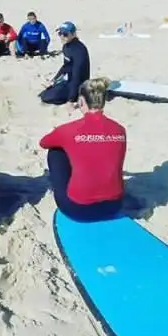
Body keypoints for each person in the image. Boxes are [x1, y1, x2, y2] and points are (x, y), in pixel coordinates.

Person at [39, 77, 126, 222]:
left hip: (78, 209)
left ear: (80, 101)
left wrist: (62, 137)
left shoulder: (69, 130)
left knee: (55, 151)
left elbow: (43, 143)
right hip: (115, 205)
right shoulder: (120, 130)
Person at [39, 22, 90, 106]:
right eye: (60, 33)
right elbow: (66, 67)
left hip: (79, 85)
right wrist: (53, 81)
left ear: (73, 34)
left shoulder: (79, 51)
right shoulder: (66, 46)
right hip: (69, 81)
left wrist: (71, 100)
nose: (62, 36)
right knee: (42, 95)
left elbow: (77, 75)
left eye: (65, 34)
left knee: (48, 98)